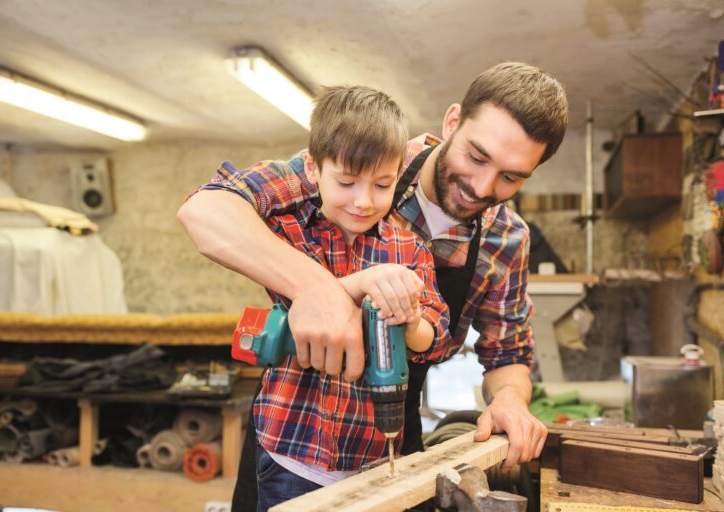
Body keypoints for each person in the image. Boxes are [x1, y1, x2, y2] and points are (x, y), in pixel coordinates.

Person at [178, 61, 569, 510]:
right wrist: (322, 290)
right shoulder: (368, 157)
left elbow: (508, 355)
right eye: (476, 157)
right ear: (453, 122)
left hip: (388, 428)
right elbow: (207, 211)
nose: (482, 186)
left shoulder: (507, 238)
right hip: (293, 426)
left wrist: (511, 400)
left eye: (511, 176)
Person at [195, 85, 454, 510]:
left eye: (383, 184)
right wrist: (360, 284)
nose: (365, 200)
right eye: (347, 182)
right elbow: (216, 207)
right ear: (313, 167)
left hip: (372, 456)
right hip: (290, 451)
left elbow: (438, 340)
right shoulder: (289, 231)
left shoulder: (410, 250)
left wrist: (411, 321)